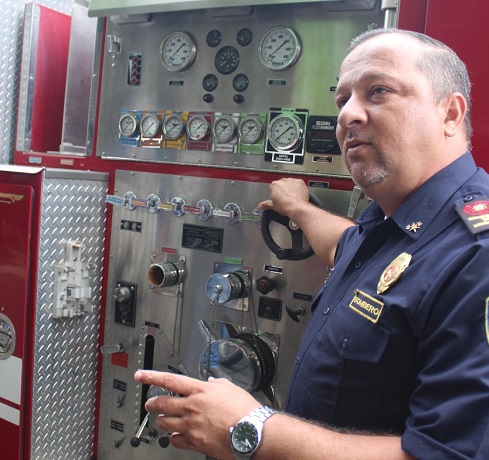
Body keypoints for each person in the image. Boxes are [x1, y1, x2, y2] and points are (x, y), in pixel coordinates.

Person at [135, 28, 489, 459]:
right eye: (342, 100)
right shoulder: (393, 220)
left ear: (450, 113)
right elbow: (348, 249)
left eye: (378, 91)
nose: (347, 115)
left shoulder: (476, 257)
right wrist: (298, 209)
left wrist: (252, 430)